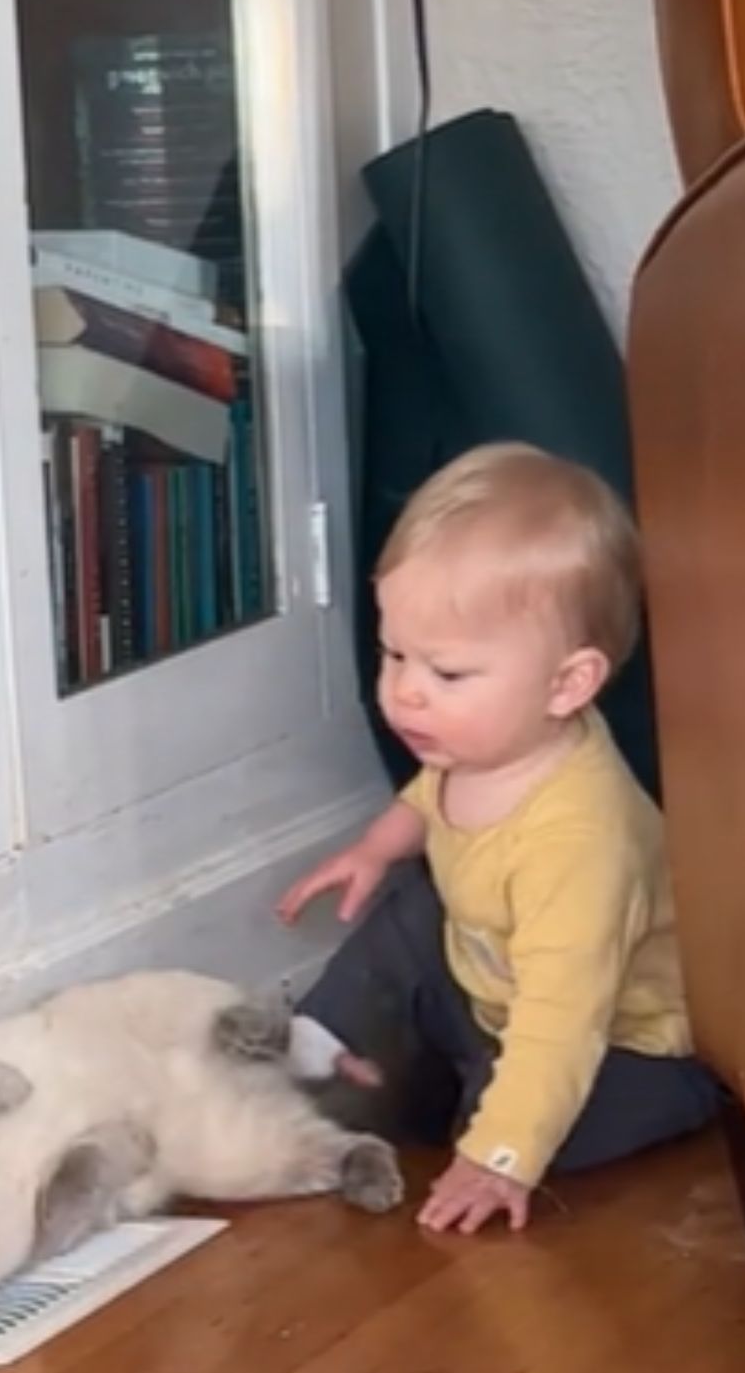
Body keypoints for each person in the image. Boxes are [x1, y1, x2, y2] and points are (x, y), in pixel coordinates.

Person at [279, 442, 720, 1235]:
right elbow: (431, 802)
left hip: (620, 1041)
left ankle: (462, 1102)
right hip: (492, 988)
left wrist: (499, 1155)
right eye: (394, 654)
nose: (406, 691)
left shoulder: (580, 844)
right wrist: (377, 847)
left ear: (568, 684)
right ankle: (308, 1050)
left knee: (509, 1126)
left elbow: (562, 1018)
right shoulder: (480, 747)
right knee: (409, 907)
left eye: (447, 674)